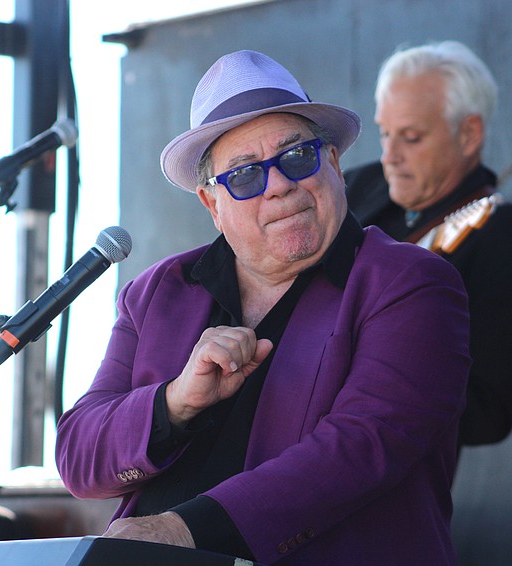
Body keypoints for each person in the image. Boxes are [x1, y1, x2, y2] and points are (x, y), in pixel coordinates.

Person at [55, 50, 471, 565]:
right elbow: (79, 458)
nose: (278, 185)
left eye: (297, 157)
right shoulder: (156, 292)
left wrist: (181, 531)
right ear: (212, 205)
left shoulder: (409, 281)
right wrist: (174, 403)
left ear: (333, 164)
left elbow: (363, 446)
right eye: (246, 175)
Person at [343, 41, 512, 451]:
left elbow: (486, 413)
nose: (389, 156)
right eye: (385, 133)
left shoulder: (511, 240)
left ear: (469, 134)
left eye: (411, 137)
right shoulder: (355, 186)